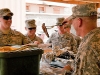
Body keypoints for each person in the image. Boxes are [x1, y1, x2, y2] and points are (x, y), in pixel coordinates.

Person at [64, 3, 100, 75]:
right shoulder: (94, 37)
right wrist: (72, 66)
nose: (72, 25)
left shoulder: (89, 46)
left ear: (79, 21)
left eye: (73, 21)